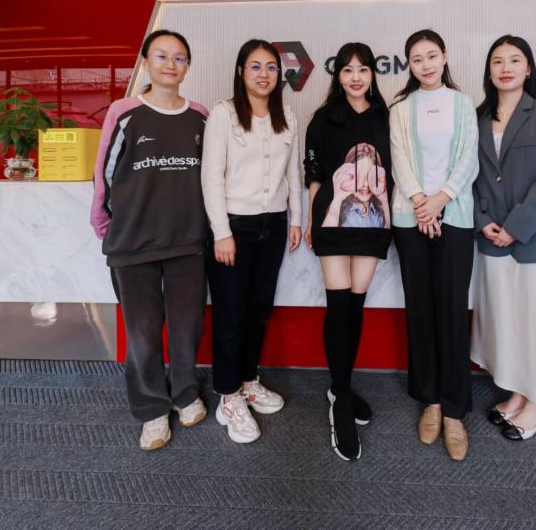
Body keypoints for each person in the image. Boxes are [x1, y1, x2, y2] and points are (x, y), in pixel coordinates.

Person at [90, 29, 209, 451]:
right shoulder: (124, 112)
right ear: (145, 62)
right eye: (161, 56)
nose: (170, 64)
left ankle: (185, 394)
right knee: (141, 333)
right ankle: (152, 409)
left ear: (187, 66)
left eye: (179, 58)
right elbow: (104, 174)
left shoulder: (200, 117)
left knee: (185, 327)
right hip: (133, 243)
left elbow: (211, 178)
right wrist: (104, 225)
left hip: (188, 242)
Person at [201, 38, 303, 444]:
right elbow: (211, 176)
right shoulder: (224, 115)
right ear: (241, 71)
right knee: (230, 314)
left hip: (272, 225)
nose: (264, 74)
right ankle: (227, 396)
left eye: (271, 67)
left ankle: (247, 380)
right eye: (256, 67)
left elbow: (292, 173)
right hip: (234, 228)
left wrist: (296, 218)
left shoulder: (287, 116)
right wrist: (221, 232)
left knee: (259, 309)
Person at [471, 35, 536, 442]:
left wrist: (515, 226)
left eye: (515, 60)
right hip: (490, 237)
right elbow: (471, 178)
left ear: (528, 68)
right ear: (489, 70)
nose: (506, 68)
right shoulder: (476, 118)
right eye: (497, 61)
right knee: (506, 322)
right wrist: (482, 221)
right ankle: (517, 393)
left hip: (535, 236)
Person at [389, 29, 479, 461]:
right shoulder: (400, 109)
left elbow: (469, 159)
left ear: (444, 57)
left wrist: (441, 199)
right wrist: (421, 203)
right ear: (409, 64)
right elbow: (399, 161)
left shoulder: (464, 104)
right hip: (410, 218)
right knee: (421, 309)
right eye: (416, 59)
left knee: (452, 309)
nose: (425, 65)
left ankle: (455, 409)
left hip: (455, 216)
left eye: (431, 56)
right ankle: (430, 401)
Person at [304, 42, 392, 461]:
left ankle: (341, 385)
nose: (355, 77)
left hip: (374, 223)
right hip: (333, 222)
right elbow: (314, 175)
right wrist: (311, 220)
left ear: (373, 74)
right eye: (347, 70)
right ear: (337, 76)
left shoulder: (387, 116)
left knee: (356, 306)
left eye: (363, 69)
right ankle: (340, 400)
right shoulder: (323, 118)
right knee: (338, 306)